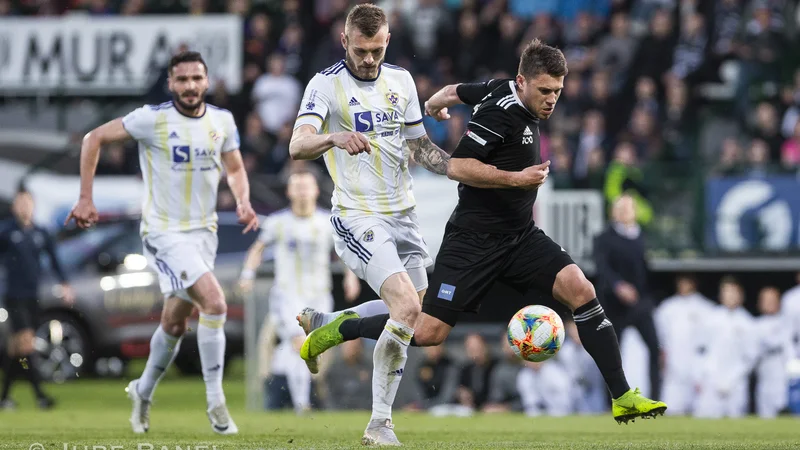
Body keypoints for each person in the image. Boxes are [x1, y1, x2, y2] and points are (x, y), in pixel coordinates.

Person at [301, 38, 667, 425]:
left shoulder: (500, 87)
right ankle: (343, 327)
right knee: (427, 331)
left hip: (520, 237)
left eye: (558, 91)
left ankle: (623, 396)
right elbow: (459, 166)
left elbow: (458, 90)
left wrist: (437, 102)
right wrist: (517, 178)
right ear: (523, 82)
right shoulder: (498, 113)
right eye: (544, 91)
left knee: (582, 290)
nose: (552, 100)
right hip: (473, 242)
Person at [64, 51, 259, 435]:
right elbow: (94, 138)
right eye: (182, 79)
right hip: (164, 232)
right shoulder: (151, 119)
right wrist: (86, 197)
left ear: (206, 81)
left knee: (174, 322)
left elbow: (234, 167)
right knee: (215, 302)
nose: (190, 86)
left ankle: (143, 390)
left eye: (196, 79)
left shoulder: (222, 121)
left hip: (205, 233)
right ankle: (216, 401)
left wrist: (242, 201)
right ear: (171, 84)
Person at [288, 4, 451, 445]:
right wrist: (333, 136)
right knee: (405, 307)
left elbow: (420, 149)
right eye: (361, 50)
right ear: (345, 42)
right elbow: (297, 145)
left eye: (376, 50)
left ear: (387, 42)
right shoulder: (326, 84)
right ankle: (379, 424)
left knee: (422, 325)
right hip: (357, 214)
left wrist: (466, 169)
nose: (369, 60)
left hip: (404, 215)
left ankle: (329, 323)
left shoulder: (401, 80)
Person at [238, 169, 361, 414]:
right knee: (296, 343)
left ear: (316, 191)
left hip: (318, 296)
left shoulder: (327, 222)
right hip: (287, 296)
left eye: (307, 187)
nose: (303, 192)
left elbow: (344, 254)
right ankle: (298, 403)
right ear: (290, 191)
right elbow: (257, 249)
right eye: (298, 187)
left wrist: (351, 278)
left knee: (308, 349)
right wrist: (247, 275)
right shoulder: (278, 222)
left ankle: (302, 395)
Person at [0, 189, 75, 410]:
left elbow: (54, 259)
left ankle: (4, 397)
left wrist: (65, 283)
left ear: (33, 206)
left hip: (34, 296)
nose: (24, 207)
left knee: (16, 350)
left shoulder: (41, 233)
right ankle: (40, 395)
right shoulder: (6, 232)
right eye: (20, 203)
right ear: (14, 207)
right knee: (27, 343)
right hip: (14, 296)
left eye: (27, 202)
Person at [593, 194, 662, 401]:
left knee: (654, 347)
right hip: (614, 306)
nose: (624, 212)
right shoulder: (603, 238)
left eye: (628, 208)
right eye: (620, 208)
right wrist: (618, 286)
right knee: (613, 355)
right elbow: (602, 268)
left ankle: (656, 398)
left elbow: (647, 271)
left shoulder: (644, 237)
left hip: (639, 304)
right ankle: (612, 401)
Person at [653, 274, 715, 416]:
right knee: (672, 407)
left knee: (701, 409)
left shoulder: (706, 307)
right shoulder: (667, 307)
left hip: (698, 365)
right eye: (681, 282)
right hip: (674, 364)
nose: (684, 285)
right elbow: (660, 338)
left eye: (687, 282)